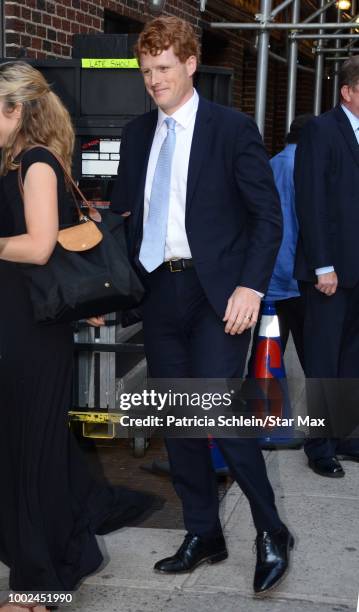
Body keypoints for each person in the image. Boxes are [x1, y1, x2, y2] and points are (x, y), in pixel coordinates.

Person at [111, 16, 293, 596]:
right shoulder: (138, 134)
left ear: (191, 64)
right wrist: (104, 287)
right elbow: (121, 219)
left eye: (163, 68)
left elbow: (268, 218)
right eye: (146, 71)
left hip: (220, 296)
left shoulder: (232, 129)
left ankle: (272, 529)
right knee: (179, 421)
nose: (154, 80)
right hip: (159, 292)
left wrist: (250, 286)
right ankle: (203, 533)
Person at [0, 61, 157, 612]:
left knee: (31, 457)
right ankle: (67, 553)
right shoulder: (16, 162)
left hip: (30, 335)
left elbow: (39, 247)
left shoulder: (37, 163)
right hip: (17, 326)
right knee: (29, 454)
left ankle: (39, 585)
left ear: (16, 111)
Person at [294, 55, 359, 478]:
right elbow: (311, 201)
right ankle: (319, 446)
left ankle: (345, 437)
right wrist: (322, 266)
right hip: (331, 272)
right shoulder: (321, 130)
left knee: (353, 358)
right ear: (348, 92)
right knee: (323, 359)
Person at [247, 114, 313, 375]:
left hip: (269, 276)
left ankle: (256, 410)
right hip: (301, 279)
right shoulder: (309, 169)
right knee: (316, 355)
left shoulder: (270, 165)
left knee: (265, 351)